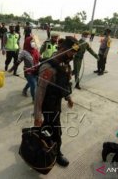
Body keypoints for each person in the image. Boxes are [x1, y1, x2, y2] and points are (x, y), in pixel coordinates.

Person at [34, 36, 79, 167]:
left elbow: (64, 83)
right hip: (48, 105)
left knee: (47, 129)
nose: (72, 56)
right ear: (63, 49)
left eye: (74, 54)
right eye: (71, 52)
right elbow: (39, 93)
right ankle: (56, 153)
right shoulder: (48, 67)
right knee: (55, 131)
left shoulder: (64, 63)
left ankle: (44, 146)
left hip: (56, 103)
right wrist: (37, 115)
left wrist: (68, 97)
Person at [9, 36, 40, 102]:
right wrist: (12, 69)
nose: (33, 43)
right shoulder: (24, 52)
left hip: (37, 71)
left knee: (33, 82)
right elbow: (17, 62)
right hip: (28, 71)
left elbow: (40, 59)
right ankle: (34, 100)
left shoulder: (36, 50)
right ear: (27, 43)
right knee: (33, 85)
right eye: (32, 42)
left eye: (34, 41)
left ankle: (25, 89)